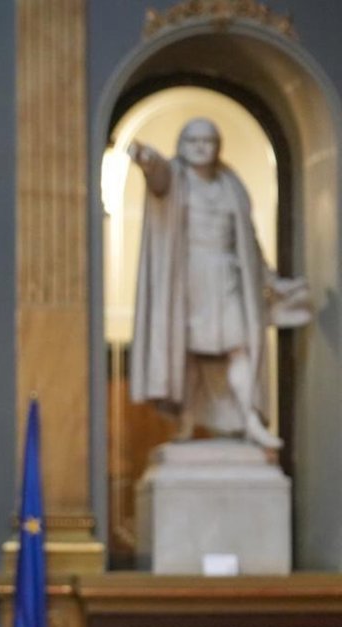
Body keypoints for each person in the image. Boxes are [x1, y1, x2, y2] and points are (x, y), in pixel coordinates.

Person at [128, 117, 308, 449]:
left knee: (240, 347)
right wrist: (146, 159)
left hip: (227, 278)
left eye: (207, 141)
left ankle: (250, 419)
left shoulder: (230, 185)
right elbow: (157, 176)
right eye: (193, 141)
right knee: (189, 352)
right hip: (189, 280)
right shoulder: (176, 178)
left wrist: (269, 279)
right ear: (182, 145)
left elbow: (248, 242)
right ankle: (186, 420)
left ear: (217, 146)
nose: (200, 147)